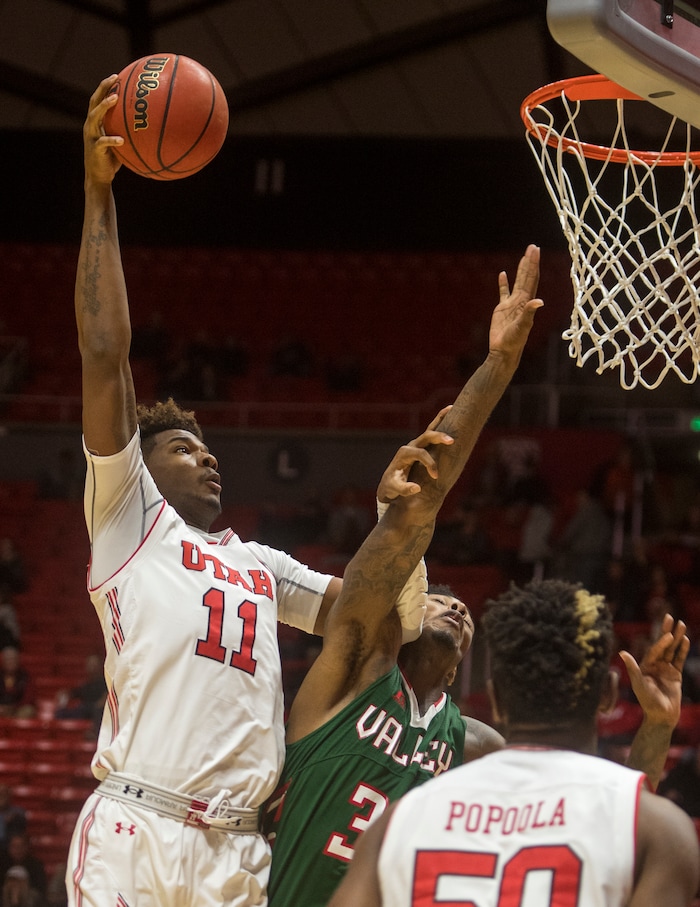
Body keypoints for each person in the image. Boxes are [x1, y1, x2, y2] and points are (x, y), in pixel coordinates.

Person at [65, 75, 457, 907]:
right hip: (139, 827)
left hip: (239, 850)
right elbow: (105, 354)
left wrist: (398, 520)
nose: (204, 459)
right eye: (179, 447)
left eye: (208, 448)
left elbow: (377, 614)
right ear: (143, 464)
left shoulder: (259, 565)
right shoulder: (128, 522)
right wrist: (101, 197)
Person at [262, 245, 546, 907]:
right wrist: (497, 364)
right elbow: (422, 503)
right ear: (410, 616)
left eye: (467, 612)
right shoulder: (357, 665)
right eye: (444, 600)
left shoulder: (476, 743)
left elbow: (577, 809)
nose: (461, 609)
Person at [328, 579, 700, 907]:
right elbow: (617, 812)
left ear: (496, 700)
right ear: (608, 694)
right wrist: (657, 724)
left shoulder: (399, 821)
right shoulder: (659, 830)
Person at [0, 834, 47, 902]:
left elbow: (40, 888)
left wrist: (22, 888)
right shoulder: (2, 863)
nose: (18, 850)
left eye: (20, 846)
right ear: (9, 847)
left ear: (26, 847)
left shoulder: (36, 865)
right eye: (14, 846)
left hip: (29, 897)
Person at [0, 648, 36, 719]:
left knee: (28, 710)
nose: (11, 662)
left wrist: (13, 707)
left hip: (18, 709)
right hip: (1, 708)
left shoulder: (25, 676)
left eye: (13, 659)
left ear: (18, 660)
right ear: (3, 661)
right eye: (8, 659)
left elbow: (28, 698)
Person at [0, 787, 26, 852]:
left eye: (3, 794)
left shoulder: (18, 812)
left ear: (9, 796)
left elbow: (20, 833)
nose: (1, 797)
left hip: (11, 850)